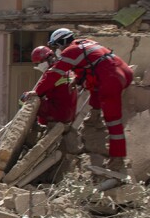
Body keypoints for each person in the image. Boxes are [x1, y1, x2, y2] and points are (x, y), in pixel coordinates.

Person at [39, 28, 133, 170]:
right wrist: (77, 80)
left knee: (113, 121)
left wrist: (36, 92)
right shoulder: (87, 43)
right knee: (91, 84)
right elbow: (90, 67)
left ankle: (117, 160)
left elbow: (54, 74)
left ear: (62, 42)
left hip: (111, 78)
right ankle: (94, 115)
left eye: (57, 46)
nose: (58, 50)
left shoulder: (70, 51)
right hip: (122, 70)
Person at [23, 45, 78, 126]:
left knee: (26, 98)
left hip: (58, 114)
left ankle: (35, 127)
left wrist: (29, 95)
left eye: (39, 63)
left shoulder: (52, 73)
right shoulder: (67, 70)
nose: (38, 66)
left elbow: (39, 92)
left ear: (47, 59)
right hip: (69, 114)